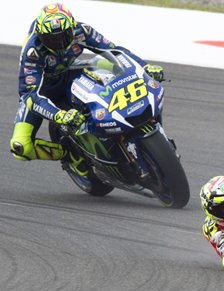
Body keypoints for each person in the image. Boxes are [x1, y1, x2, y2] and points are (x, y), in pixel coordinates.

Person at [10, 3, 164, 175]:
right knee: (20, 146)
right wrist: (58, 115)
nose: (59, 43)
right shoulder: (33, 51)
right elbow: (29, 95)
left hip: (70, 73)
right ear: (40, 36)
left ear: (72, 27)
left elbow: (114, 50)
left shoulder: (82, 30)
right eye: (51, 39)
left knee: (110, 64)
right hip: (42, 90)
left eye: (64, 36)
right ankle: (67, 154)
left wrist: (145, 67)